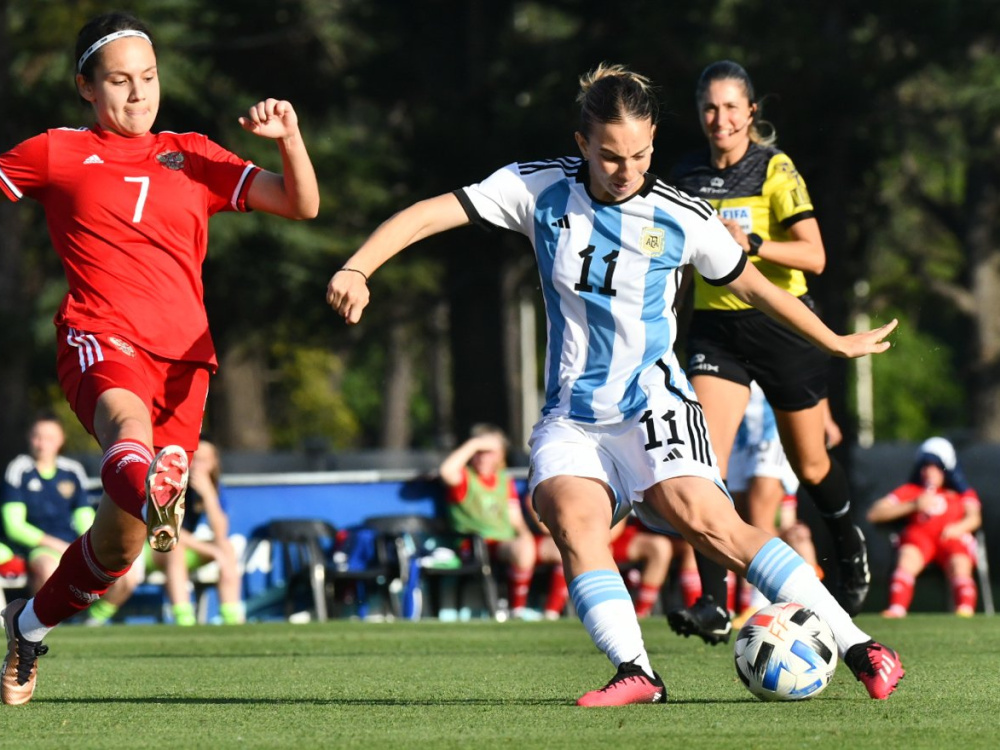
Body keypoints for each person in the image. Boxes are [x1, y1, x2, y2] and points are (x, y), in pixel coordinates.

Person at [327, 62, 904, 705]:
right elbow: (427, 214)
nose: (626, 170)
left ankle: (862, 647)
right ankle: (637, 672)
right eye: (608, 156)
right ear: (582, 143)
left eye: (639, 154)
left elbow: (755, 288)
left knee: (708, 521)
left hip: (651, 403)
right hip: (573, 415)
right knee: (572, 520)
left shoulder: (681, 216)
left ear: (653, 140)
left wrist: (834, 340)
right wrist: (358, 267)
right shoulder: (537, 188)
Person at [0, 11, 318, 705]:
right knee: (128, 429)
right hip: (99, 335)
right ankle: (148, 475)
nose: (139, 92)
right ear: (86, 87)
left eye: (148, 77)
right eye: (119, 80)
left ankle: (26, 626)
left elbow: (301, 204)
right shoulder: (56, 151)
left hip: (186, 361)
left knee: (118, 551)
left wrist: (289, 139)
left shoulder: (191, 154)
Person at [667, 60, 872, 646]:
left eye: (732, 107)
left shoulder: (775, 168)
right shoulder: (685, 175)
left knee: (811, 466)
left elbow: (815, 256)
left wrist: (752, 243)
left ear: (751, 111)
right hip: (717, 332)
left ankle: (847, 544)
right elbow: (678, 263)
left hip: (783, 326)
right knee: (702, 463)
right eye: (710, 108)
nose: (720, 119)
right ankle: (713, 601)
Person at [439, 424, 565, 620]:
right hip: (477, 544)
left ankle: (551, 614)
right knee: (522, 549)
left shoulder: (504, 480)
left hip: (507, 542)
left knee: (562, 548)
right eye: (478, 452)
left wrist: (525, 535)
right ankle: (517, 611)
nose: (482, 457)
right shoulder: (465, 478)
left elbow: (515, 519)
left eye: (488, 452)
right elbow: (446, 472)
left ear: (499, 455)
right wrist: (475, 443)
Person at [867, 437, 982, 618]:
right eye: (925, 466)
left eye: (935, 466)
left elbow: (974, 517)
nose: (929, 471)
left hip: (951, 539)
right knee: (907, 557)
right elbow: (875, 513)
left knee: (960, 563)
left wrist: (958, 528)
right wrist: (913, 505)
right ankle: (897, 608)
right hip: (919, 540)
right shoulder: (911, 491)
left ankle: (965, 609)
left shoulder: (962, 493)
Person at [150, 438, 244, 626]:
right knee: (175, 549)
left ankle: (231, 618)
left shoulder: (214, 487)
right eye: (194, 459)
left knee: (226, 547)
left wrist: (208, 494)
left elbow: (220, 532)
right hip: (155, 549)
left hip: (188, 547)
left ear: (214, 462)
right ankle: (184, 617)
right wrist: (211, 551)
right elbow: (166, 530)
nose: (197, 466)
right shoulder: (168, 483)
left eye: (204, 460)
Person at [609, 516, 671, 618]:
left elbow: (619, 518)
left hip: (621, 534)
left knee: (661, 547)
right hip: (592, 539)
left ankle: (641, 613)